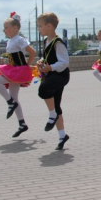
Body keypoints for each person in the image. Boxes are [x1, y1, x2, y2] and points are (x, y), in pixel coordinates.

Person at [0, 13, 36, 135]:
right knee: (15, 97)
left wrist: (27, 65)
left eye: (6, 27)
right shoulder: (11, 41)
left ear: (15, 28)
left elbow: (32, 52)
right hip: (14, 70)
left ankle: (10, 103)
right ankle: (22, 124)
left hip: (18, 70)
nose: (4, 30)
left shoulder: (20, 39)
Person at [35, 12, 71, 150]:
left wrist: (50, 67)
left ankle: (52, 115)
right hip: (52, 74)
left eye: (40, 26)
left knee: (43, 90)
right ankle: (62, 136)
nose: (39, 29)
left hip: (60, 75)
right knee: (56, 104)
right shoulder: (46, 41)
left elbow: (64, 62)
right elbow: (49, 57)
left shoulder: (58, 42)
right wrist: (42, 62)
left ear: (49, 26)